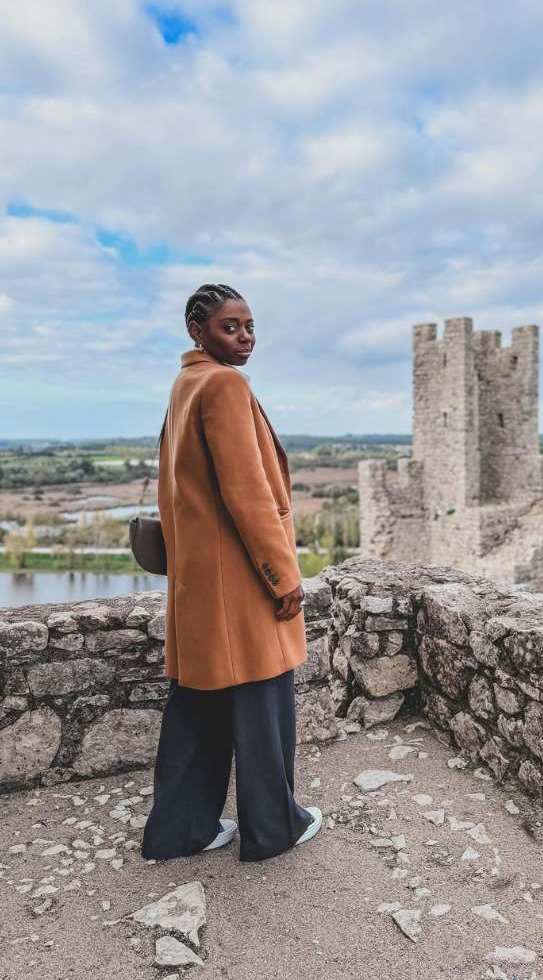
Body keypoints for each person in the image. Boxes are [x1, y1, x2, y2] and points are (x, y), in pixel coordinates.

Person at [140, 283, 322, 862]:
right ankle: (274, 829)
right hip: (240, 584)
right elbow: (248, 496)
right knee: (263, 705)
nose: (244, 336)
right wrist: (283, 577)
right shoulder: (223, 384)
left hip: (198, 584)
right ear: (197, 332)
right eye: (229, 326)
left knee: (197, 708)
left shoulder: (185, 383)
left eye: (247, 325)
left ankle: (180, 830)